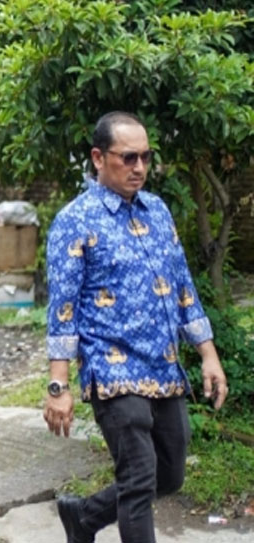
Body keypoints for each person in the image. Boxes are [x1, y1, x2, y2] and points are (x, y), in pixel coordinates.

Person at [44, 112, 228, 543]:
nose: (139, 167)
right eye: (128, 158)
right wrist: (59, 384)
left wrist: (208, 354)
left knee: (170, 474)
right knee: (140, 478)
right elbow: (63, 308)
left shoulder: (157, 211)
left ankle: (84, 517)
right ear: (97, 158)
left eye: (145, 157)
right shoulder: (76, 220)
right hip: (113, 369)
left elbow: (183, 287)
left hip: (164, 367)